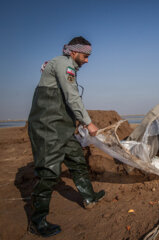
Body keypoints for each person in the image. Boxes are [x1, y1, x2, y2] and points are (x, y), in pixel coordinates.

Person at [27, 36, 105, 237]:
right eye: (85, 56)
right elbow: (71, 97)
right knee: (50, 172)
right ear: (73, 52)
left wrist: (75, 121)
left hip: (62, 128)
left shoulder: (68, 67)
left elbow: (67, 101)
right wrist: (88, 122)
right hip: (48, 128)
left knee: (77, 161)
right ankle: (37, 222)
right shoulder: (63, 65)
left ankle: (89, 197)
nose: (87, 60)